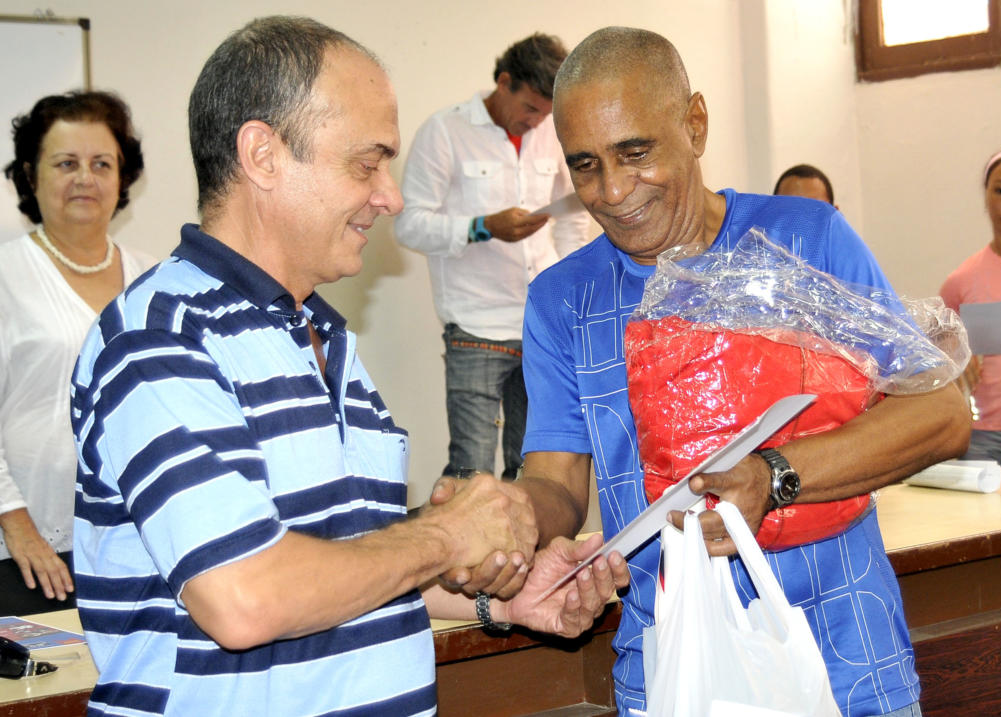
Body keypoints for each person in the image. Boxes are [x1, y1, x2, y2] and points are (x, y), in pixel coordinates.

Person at [69, 17, 627, 716]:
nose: (391, 197)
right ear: (263, 155)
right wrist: (445, 535)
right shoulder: (160, 337)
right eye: (367, 164)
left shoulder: (325, 338)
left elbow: (344, 562)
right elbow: (244, 596)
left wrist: (502, 602)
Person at [507, 27, 969, 717]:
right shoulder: (562, 300)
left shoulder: (805, 240)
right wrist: (504, 524)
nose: (613, 190)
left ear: (694, 124)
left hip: (845, 658)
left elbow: (942, 413)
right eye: (586, 166)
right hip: (676, 665)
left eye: (635, 153)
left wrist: (775, 477)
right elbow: (555, 482)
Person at [395, 33, 590, 479]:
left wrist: (566, 291)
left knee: (535, 468)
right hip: (475, 327)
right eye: (530, 109)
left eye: (546, 114)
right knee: (472, 471)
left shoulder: (550, 133)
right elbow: (408, 225)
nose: (537, 123)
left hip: (541, 326)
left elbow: (573, 218)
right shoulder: (444, 131)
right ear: (504, 83)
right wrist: (482, 227)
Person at [0, 91, 151, 616]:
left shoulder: (154, 278)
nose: (85, 178)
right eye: (66, 163)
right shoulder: (6, 275)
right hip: (26, 554)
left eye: (101, 163)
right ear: (30, 175)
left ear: (122, 178)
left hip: (137, 547)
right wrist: (17, 525)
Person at [940, 148, 1001, 466]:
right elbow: (937, 355)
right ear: (986, 198)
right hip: (986, 436)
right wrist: (955, 358)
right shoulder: (962, 281)